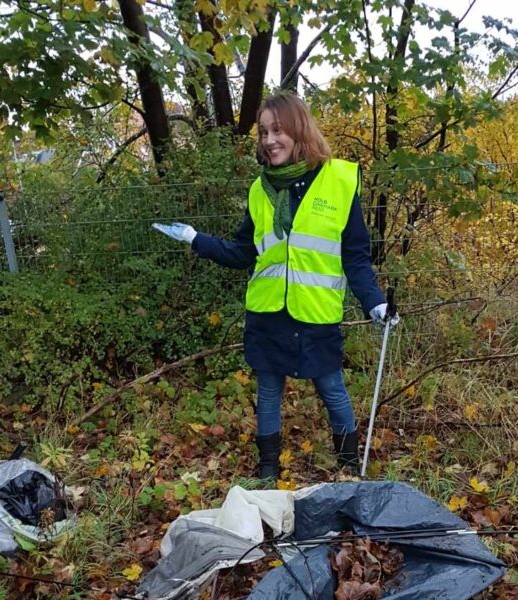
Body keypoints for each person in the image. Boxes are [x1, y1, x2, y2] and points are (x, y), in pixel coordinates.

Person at [153, 92, 395, 479]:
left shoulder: (339, 181)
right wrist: (195, 238)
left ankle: (349, 469)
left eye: (277, 130)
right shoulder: (259, 190)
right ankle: (267, 473)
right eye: (264, 132)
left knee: (332, 390)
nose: (269, 140)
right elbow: (242, 253)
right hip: (267, 313)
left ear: (299, 130)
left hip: (315, 312)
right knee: (267, 393)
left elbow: (355, 257)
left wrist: (375, 303)